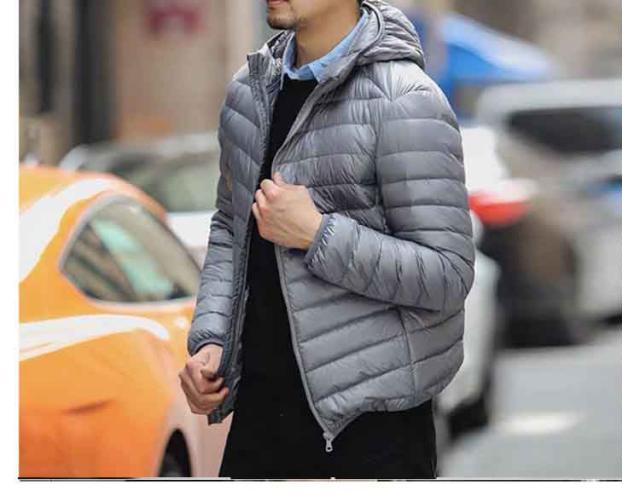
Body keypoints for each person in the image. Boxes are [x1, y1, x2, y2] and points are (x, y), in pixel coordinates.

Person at [179, 0, 475, 480]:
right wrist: (212, 339)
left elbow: (448, 274)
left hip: (370, 427)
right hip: (259, 414)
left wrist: (319, 234)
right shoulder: (249, 91)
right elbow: (231, 229)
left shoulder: (405, 98)